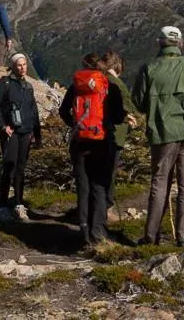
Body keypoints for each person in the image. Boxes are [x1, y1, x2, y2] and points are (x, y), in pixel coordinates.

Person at [131, 26, 184, 247]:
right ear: (180, 43)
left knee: (160, 183)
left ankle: (151, 236)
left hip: (162, 133)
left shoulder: (149, 68)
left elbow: (139, 102)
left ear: (160, 42)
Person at [59, 53, 113, 245]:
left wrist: (75, 125)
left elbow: (63, 111)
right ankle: (98, 231)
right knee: (98, 187)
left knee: (83, 186)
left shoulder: (76, 85)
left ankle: (83, 230)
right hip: (101, 142)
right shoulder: (107, 85)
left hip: (79, 141)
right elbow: (118, 113)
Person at [0, 52, 42, 221]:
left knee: (20, 169)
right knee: (9, 167)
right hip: (10, 133)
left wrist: (37, 133)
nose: (22, 67)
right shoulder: (4, 84)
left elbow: (33, 111)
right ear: (12, 66)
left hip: (25, 132)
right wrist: (2, 127)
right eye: (19, 65)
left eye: (24, 64)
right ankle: (3, 206)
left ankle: (18, 203)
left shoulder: (28, 86)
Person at [101, 50, 138, 211]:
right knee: (110, 172)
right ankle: (107, 208)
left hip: (96, 131)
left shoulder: (98, 80)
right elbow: (128, 108)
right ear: (118, 67)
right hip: (115, 133)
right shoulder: (118, 84)